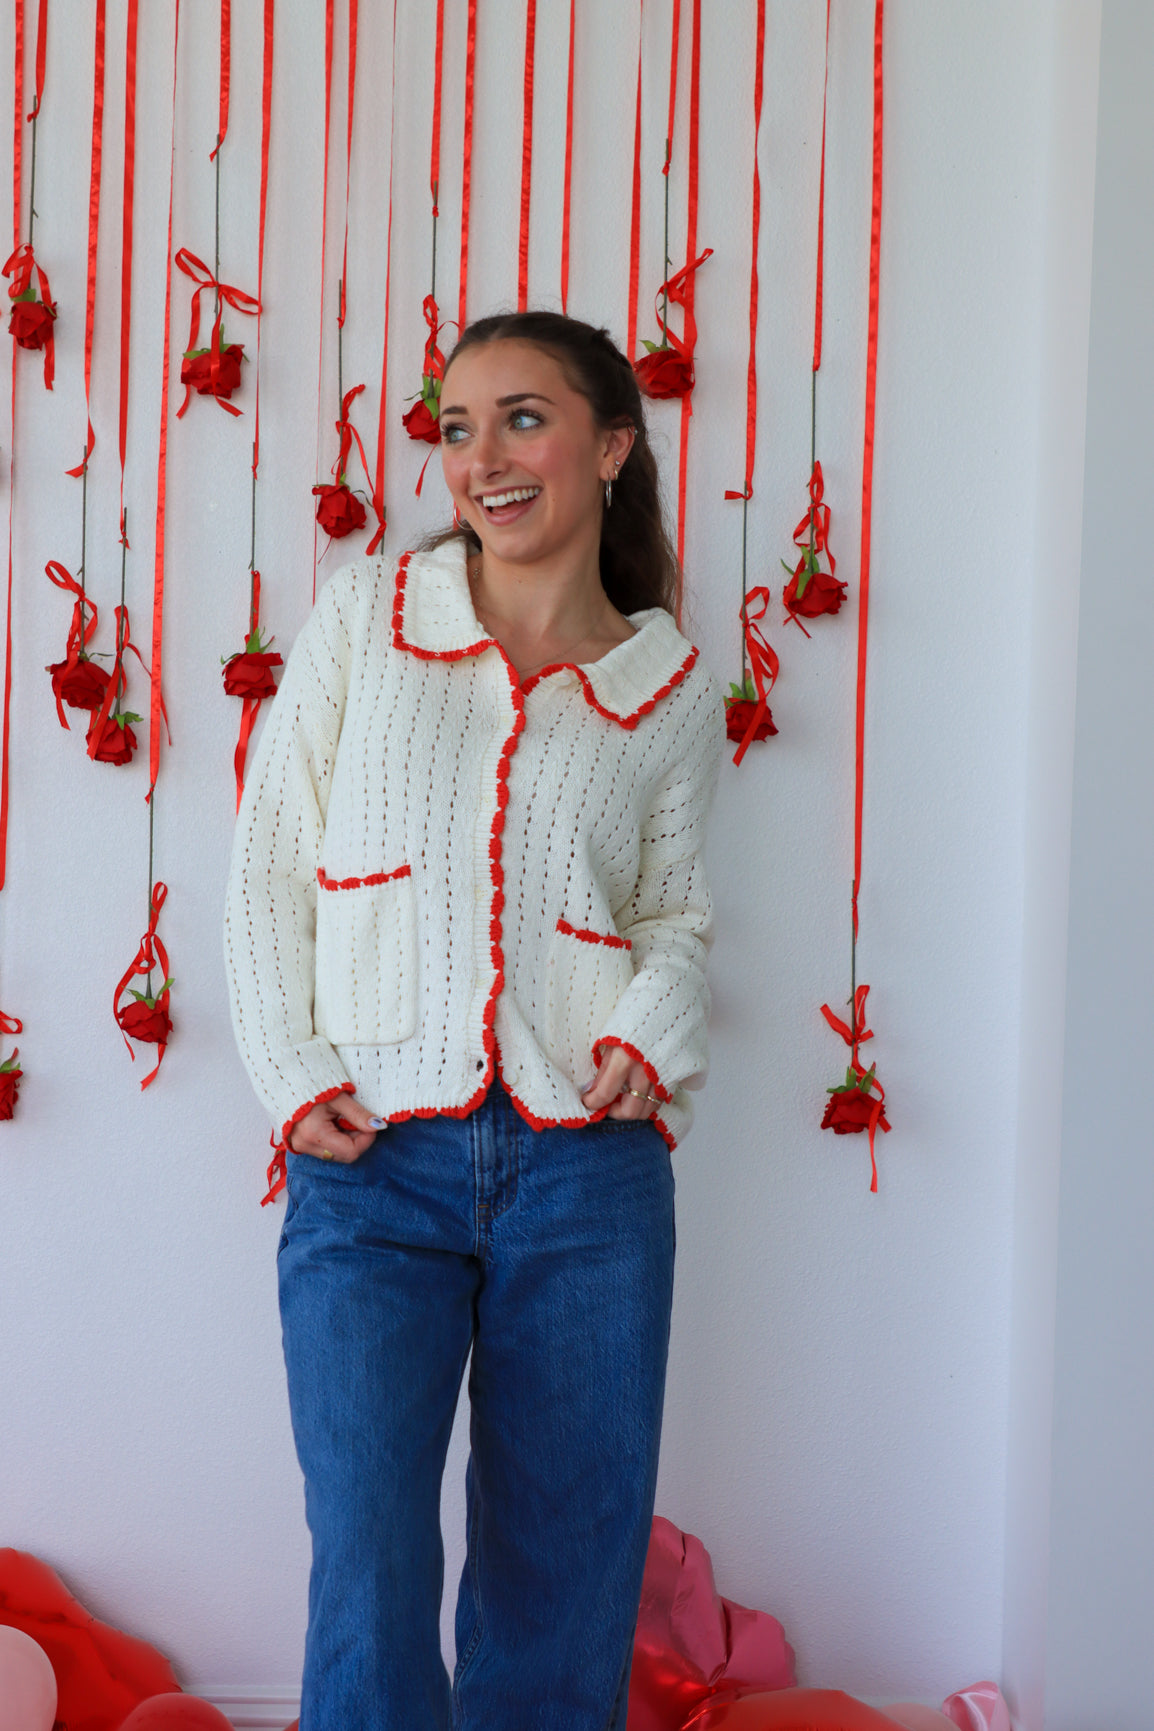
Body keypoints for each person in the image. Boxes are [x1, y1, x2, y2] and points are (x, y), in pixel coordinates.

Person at [224, 310, 726, 1730]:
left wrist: (648, 1028)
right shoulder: (365, 617)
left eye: (520, 417)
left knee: (563, 1577)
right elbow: (272, 857)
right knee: (369, 1568)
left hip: (587, 1171)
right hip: (373, 1161)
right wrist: (288, 1068)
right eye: (454, 426)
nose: (480, 458)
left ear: (610, 446)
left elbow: (677, 917)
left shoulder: (668, 684)